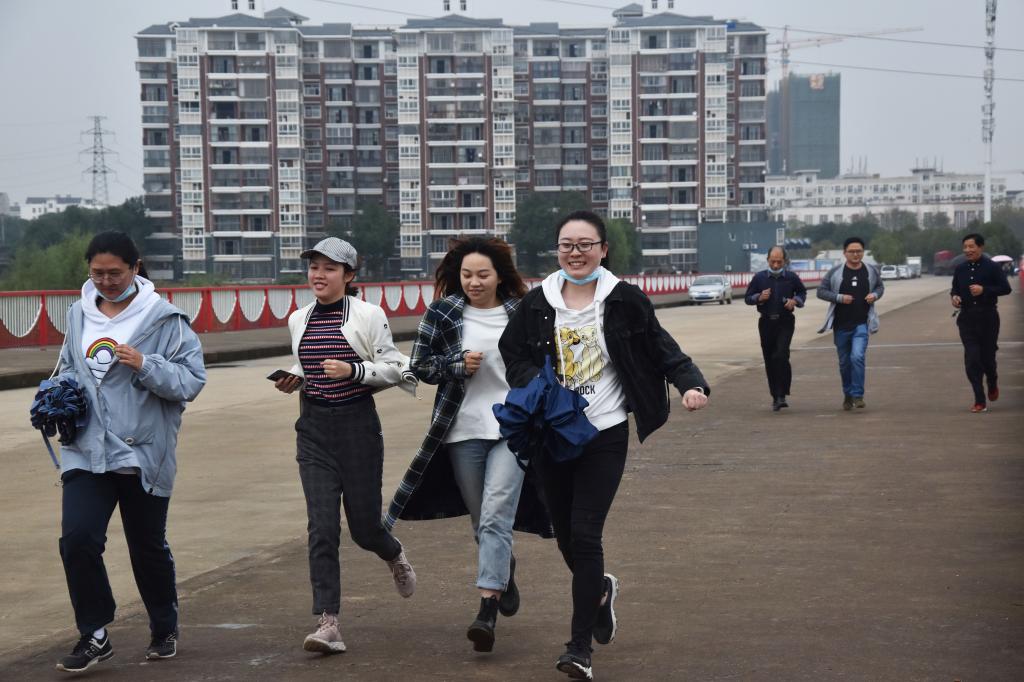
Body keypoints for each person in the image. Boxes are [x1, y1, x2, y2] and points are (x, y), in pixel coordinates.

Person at [498, 210, 710, 680]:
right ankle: (599, 592)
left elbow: (661, 347)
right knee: (566, 536)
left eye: (585, 245)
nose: (575, 253)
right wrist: (538, 385)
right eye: (567, 245)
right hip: (553, 432)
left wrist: (690, 383)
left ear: (603, 249)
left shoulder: (625, 300)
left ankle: (579, 649)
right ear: (557, 250)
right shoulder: (537, 302)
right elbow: (512, 355)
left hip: (604, 432)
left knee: (586, 534)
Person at [384, 237, 553, 654]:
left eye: (483, 275)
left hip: (514, 428)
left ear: (500, 276)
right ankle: (504, 568)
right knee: (482, 521)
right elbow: (419, 366)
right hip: (462, 430)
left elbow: (548, 362)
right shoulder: (443, 312)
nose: (474, 282)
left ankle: (486, 609)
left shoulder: (522, 312)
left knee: (495, 515)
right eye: (467, 275)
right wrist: (456, 365)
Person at [50, 231, 207, 673]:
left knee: (146, 546)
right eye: (97, 273)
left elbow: (191, 381)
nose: (105, 281)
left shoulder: (164, 319)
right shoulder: (78, 314)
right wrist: (55, 395)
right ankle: (94, 633)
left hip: (143, 453)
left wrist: (145, 364)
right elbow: (68, 368)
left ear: (135, 268)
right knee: (77, 540)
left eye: (115, 273)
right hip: (86, 449)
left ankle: (164, 627)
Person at [273, 237, 417, 655]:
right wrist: (295, 378)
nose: (318, 275)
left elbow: (396, 368)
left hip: (357, 428)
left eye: (329, 268)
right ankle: (328, 623)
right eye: (314, 267)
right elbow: (308, 363)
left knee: (365, 530)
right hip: (313, 429)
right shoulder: (299, 318)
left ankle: (393, 554)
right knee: (321, 527)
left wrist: (354, 371)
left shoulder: (369, 315)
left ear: (349, 275)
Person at [816, 237, 884, 410]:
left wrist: (875, 295)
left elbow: (880, 287)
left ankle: (858, 395)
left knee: (857, 357)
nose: (855, 254)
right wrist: (839, 298)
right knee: (845, 363)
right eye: (852, 251)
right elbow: (821, 291)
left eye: (859, 251)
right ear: (845, 253)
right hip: (841, 325)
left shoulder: (871, 271)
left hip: (861, 323)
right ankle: (848, 393)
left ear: (863, 252)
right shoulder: (835, 272)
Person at [950, 232, 1011, 412]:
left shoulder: (992, 267)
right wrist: (955, 297)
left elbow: (1005, 288)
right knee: (972, 359)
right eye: (965, 247)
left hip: (988, 318)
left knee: (987, 359)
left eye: (971, 246)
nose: (967, 250)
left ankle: (992, 381)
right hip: (967, 318)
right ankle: (979, 400)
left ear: (980, 247)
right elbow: (955, 289)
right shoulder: (960, 269)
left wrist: (984, 290)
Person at [744, 246, 807, 411]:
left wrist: (795, 301)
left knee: (781, 354)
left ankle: (782, 393)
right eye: (773, 261)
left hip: (785, 321)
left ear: (785, 261)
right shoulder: (759, 278)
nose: (776, 265)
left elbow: (802, 293)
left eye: (779, 262)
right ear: (767, 260)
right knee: (770, 359)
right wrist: (759, 297)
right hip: (766, 322)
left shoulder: (791, 277)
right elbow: (748, 298)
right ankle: (776, 396)